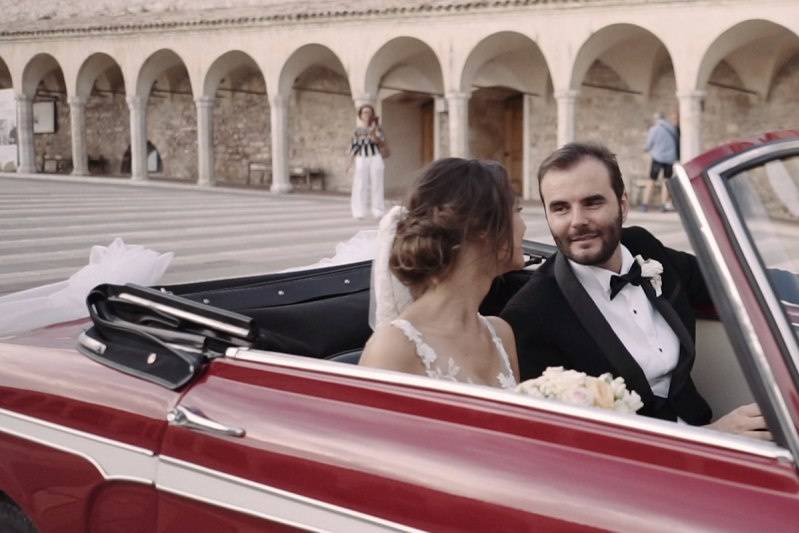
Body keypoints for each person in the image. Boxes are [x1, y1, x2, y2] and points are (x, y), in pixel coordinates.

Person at [501, 142, 770, 439]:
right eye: (561, 208)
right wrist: (716, 435)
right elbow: (579, 445)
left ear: (623, 206)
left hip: (708, 426)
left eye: (592, 203)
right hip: (645, 465)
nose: (577, 221)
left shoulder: (645, 247)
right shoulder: (530, 315)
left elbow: (727, 278)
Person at [359, 158, 524, 389]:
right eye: (516, 211)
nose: (524, 226)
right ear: (482, 229)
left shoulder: (501, 334)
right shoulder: (393, 349)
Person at [347, 104, 386, 220]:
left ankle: (378, 210)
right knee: (360, 184)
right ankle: (359, 211)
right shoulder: (357, 130)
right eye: (364, 112)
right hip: (361, 158)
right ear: (360, 115)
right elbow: (354, 147)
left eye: (369, 112)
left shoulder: (378, 128)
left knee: (377, 183)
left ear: (372, 114)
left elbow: (381, 142)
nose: (367, 114)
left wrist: (373, 132)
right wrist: (349, 163)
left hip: (375, 157)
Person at [641, 111, 679, 212]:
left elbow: (649, 145)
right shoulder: (672, 128)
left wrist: (644, 149)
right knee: (666, 181)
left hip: (657, 158)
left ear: (656, 119)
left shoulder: (654, 129)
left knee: (651, 180)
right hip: (670, 159)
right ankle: (663, 205)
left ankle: (645, 204)